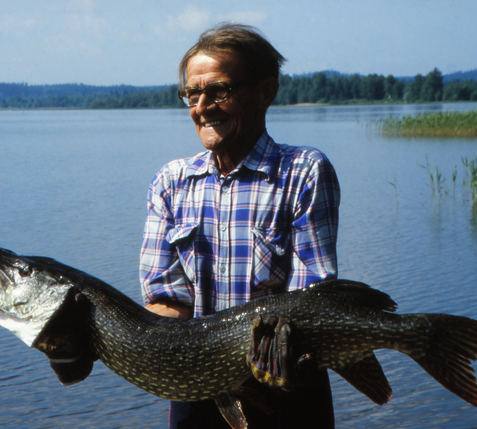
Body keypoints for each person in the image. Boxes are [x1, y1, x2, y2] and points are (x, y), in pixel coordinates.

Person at [140, 23, 340, 429]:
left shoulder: (302, 172)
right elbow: (168, 300)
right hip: (197, 389)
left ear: (266, 92)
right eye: (192, 94)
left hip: (287, 390)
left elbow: (309, 299)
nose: (202, 106)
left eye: (219, 91)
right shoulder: (171, 182)